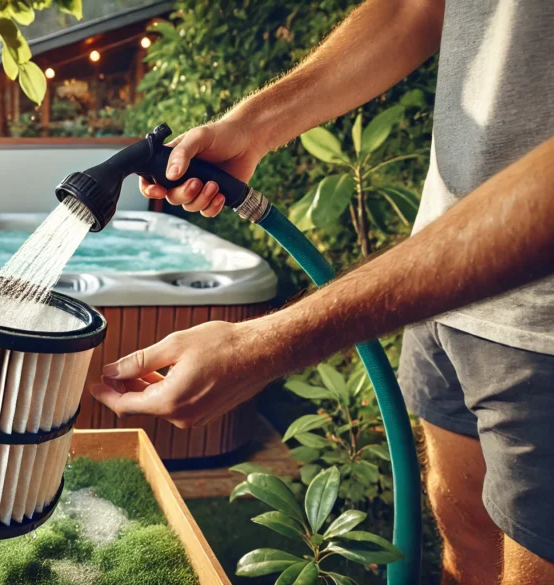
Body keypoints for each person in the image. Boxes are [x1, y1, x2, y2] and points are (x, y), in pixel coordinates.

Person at [89, 1, 554, 583]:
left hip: (544, 322)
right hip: (445, 275)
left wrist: (269, 343)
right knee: (462, 534)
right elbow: (417, 8)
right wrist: (251, 126)